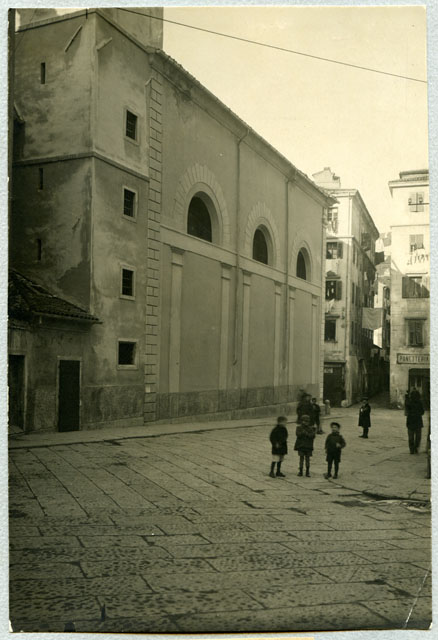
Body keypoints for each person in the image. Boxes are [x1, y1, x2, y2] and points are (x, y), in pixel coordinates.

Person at [405, 388, 424, 454]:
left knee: (411, 437)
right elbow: (422, 412)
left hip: (410, 421)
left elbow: (406, 411)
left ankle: (412, 449)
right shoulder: (420, 403)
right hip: (418, 421)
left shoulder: (409, 402)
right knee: (418, 437)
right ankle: (416, 448)